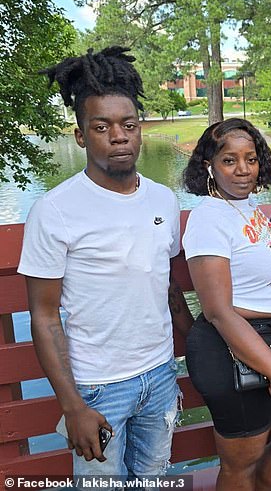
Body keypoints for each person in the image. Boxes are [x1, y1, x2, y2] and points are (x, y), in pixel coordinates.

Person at [18, 47, 193, 486]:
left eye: (128, 125)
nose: (118, 137)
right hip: (97, 386)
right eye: (102, 127)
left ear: (139, 130)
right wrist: (72, 404)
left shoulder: (163, 199)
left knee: (154, 478)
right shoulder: (55, 210)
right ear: (81, 135)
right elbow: (43, 315)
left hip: (159, 375)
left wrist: (189, 355)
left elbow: (168, 284)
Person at [181, 118, 271, 491]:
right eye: (229, 160)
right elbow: (217, 310)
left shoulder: (247, 206)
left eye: (251, 159)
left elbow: (261, 248)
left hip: (267, 341)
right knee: (241, 463)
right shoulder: (207, 217)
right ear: (208, 165)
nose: (243, 170)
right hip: (229, 347)